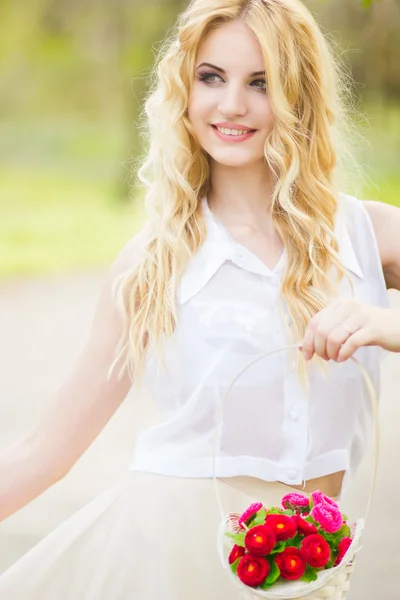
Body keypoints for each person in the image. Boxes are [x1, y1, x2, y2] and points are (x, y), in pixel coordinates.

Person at [0, 0, 400, 598]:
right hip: (162, 559)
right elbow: (43, 453)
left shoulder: (368, 235)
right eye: (211, 77)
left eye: (260, 83)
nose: (231, 105)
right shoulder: (150, 265)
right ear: (183, 90)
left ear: (300, 96)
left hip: (305, 574)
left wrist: (382, 323)